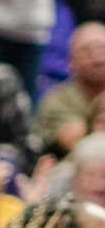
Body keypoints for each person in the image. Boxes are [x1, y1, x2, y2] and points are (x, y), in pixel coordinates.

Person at [37, 22, 105, 159]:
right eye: (87, 50)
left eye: (102, 49)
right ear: (71, 62)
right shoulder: (56, 99)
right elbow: (72, 140)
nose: (98, 57)